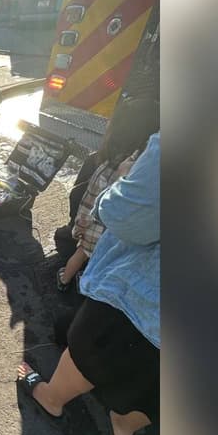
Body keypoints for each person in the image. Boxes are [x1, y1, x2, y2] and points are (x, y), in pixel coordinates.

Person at [18, 132, 160, 435]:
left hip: (149, 291)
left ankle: (51, 398)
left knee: (94, 343)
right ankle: (124, 426)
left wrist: (124, 176)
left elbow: (127, 217)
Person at [56, 95, 160, 292]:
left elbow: (87, 202)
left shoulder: (105, 166)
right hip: (117, 243)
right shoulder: (145, 171)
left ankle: (65, 279)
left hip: (94, 232)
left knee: (79, 256)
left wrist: (79, 226)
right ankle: (84, 282)